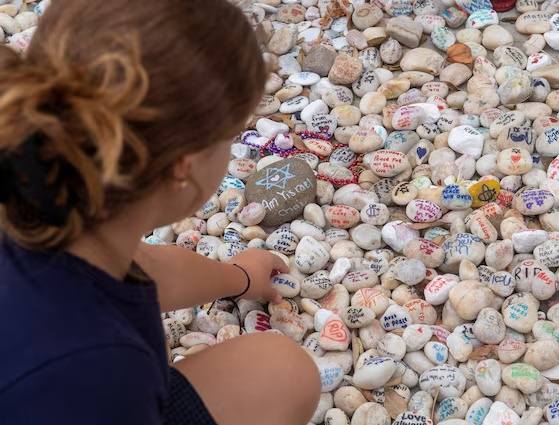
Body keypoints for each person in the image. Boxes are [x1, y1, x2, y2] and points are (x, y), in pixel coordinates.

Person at [0, 0, 321, 424]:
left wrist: (238, 277)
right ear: (183, 166)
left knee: (280, 373)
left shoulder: (33, 183)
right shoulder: (100, 366)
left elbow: (143, 267)